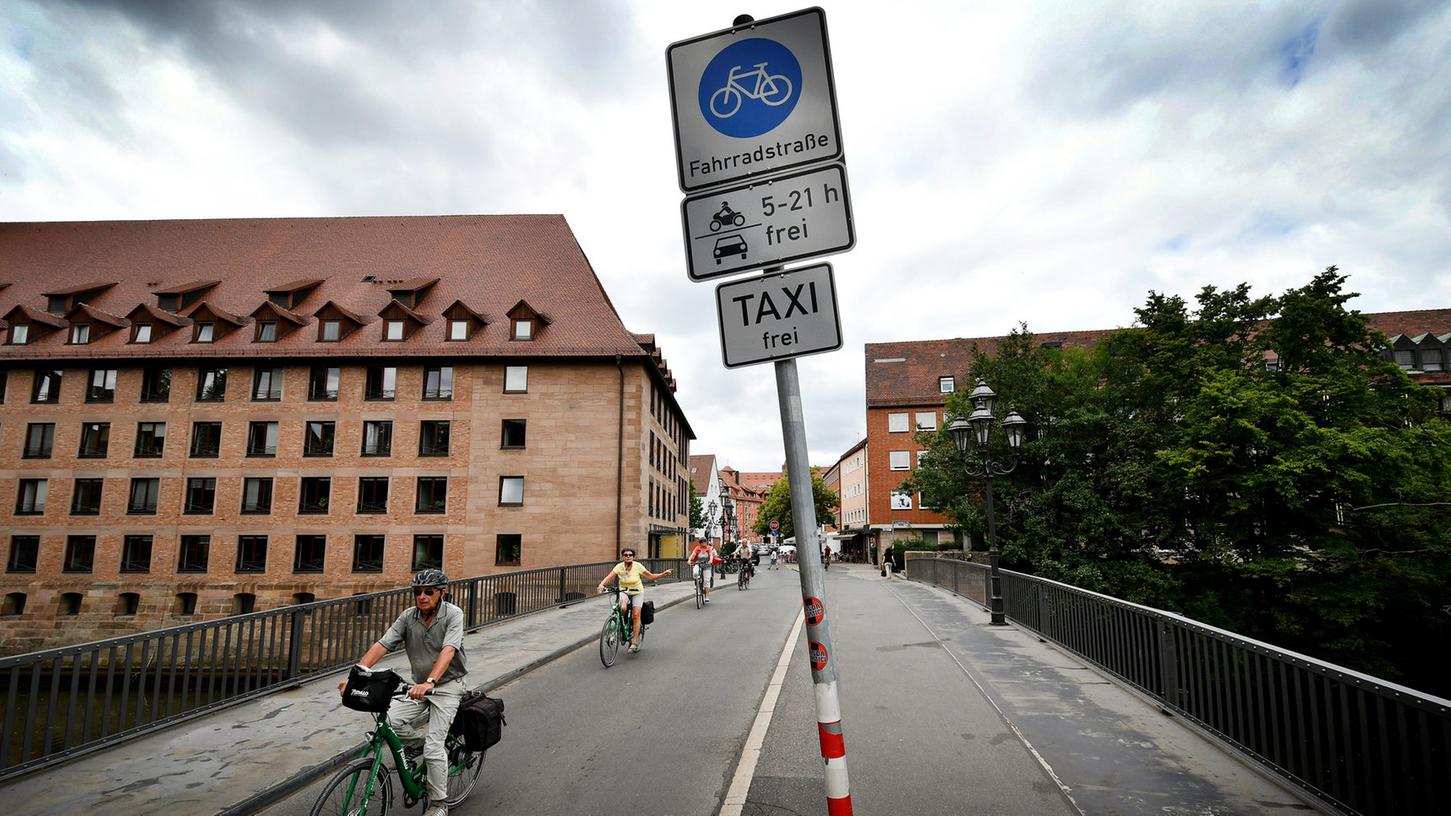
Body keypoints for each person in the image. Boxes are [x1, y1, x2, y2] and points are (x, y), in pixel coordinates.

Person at [340, 568, 467, 816]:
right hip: (418, 686)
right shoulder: (408, 617)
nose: (422, 596)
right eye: (417, 592)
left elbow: (449, 650)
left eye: (428, 592)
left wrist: (431, 681)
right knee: (386, 721)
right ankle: (418, 745)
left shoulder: (453, 614)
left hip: (448, 686)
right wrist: (353, 678)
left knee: (434, 748)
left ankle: (438, 803)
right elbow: (382, 645)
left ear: (442, 593)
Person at [597, 548, 671, 651]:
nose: (628, 556)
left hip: (637, 592)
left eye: (630, 555)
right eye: (626, 555)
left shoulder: (638, 566)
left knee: (636, 615)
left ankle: (635, 641)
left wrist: (663, 574)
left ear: (633, 557)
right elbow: (609, 577)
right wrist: (601, 585)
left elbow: (651, 577)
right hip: (624, 591)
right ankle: (622, 625)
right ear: (623, 557)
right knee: (622, 608)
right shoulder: (619, 567)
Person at [688, 537, 719, 604]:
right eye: (702, 542)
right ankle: (697, 583)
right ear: (700, 543)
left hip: (707, 565)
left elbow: (711, 555)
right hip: (698, 564)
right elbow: (693, 554)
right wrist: (689, 560)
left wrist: (710, 560)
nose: (703, 543)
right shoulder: (697, 548)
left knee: (706, 581)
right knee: (695, 572)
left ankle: (706, 596)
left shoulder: (708, 548)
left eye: (704, 541)